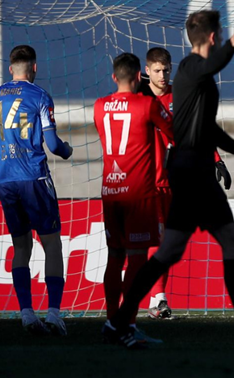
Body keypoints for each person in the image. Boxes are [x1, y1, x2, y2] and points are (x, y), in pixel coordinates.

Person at [105, 10, 234, 349]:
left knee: (178, 250)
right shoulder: (192, 67)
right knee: (215, 246)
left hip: (196, 171)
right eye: (221, 36)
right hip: (190, 173)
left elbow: (208, 128)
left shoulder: (198, 78)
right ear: (215, 37)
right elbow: (209, 65)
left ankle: (118, 323)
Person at [0, 45, 73, 335]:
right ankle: (54, 313)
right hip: (34, 179)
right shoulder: (40, 96)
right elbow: (54, 145)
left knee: (21, 246)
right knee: (52, 245)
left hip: (6, 181)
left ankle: (27, 314)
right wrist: (67, 151)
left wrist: (7, 155)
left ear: (10, 69)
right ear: (34, 67)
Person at [137, 47, 232, 320]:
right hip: (143, 181)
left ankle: (157, 299)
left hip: (173, 180)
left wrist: (216, 159)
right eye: (157, 70)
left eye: (166, 69)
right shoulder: (138, 97)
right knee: (154, 238)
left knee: (167, 239)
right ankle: (152, 298)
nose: (163, 75)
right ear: (147, 71)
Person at [94, 52, 173, 342]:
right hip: (139, 193)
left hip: (110, 192)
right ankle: (126, 325)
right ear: (140, 74)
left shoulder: (99, 106)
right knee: (138, 261)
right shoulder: (147, 104)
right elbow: (175, 133)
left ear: (114, 77)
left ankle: (112, 320)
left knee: (115, 257)